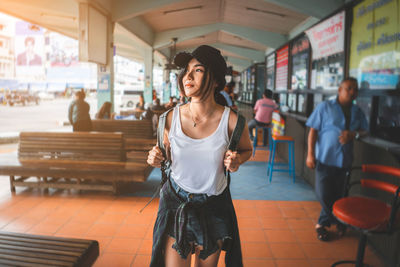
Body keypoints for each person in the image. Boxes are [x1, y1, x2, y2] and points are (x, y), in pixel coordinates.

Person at [147, 45, 252, 267]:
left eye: (198, 70)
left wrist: (237, 161)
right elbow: (164, 154)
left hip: (213, 206)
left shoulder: (232, 121)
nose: (188, 76)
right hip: (176, 204)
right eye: (186, 71)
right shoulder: (169, 119)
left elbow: (246, 150)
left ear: (215, 80)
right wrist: (156, 157)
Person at [306, 77, 368, 242]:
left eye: (355, 89)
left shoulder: (358, 111)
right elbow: (313, 131)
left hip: (345, 160)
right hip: (325, 158)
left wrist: (353, 134)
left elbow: (365, 131)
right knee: (324, 194)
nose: (352, 92)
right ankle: (338, 220)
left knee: (340, 195)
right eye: (348, 88)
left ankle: (322, 224)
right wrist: (310, 154)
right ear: (340, 90)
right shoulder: (325, 107)